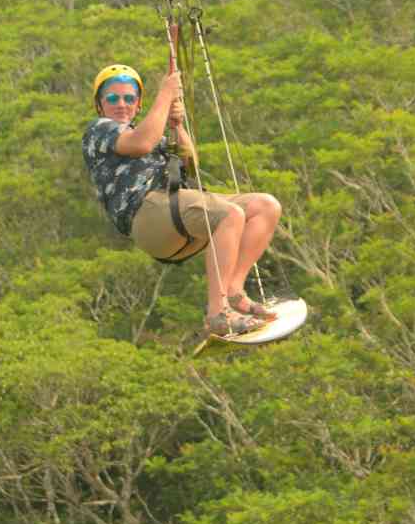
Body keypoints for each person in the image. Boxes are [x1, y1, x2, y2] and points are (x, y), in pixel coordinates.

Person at [82, 63, 282, 336]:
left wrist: (177, 126)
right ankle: (218, 313)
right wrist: (165, 95)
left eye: (129, 98)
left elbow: (189, 163)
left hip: (173, 211)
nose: (121, 104)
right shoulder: (99, 130)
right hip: (146, 215)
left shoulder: (150, 132)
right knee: (230, 214)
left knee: (265, 206)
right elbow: (140, 143)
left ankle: (234, 291)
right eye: (113, 98)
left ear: (138, 104)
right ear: (99, 105)